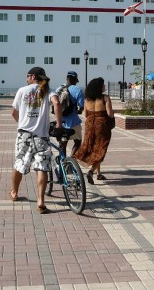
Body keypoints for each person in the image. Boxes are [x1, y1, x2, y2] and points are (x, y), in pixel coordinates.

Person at [10, 67, 62, 214]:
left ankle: (14, 192)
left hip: (24, 134)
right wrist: (59, 124)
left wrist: (21, 123)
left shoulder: (22, 90)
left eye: (27, 76)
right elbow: (57, 103)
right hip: (42, 136)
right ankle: (40, 201)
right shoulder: (48, 90)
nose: (26, 79)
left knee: (19, 163)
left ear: (32, 76)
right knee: (42, 167)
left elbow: (14, 112)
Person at [74, 77, 114, 184]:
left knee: (93, 148)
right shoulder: (105, 98)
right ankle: (91, 171)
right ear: (99, 87)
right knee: (101, 149)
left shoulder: (87, 99)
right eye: (103, 85)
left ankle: (98, 173)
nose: (104, 86)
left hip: (90, 124)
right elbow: (110, 114)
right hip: (102, 125)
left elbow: (85, 114)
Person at [57, 71, 84, 157]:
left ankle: (63, 164)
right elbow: (81, 106)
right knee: (78, 141)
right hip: (74, 122)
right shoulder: (78, 90)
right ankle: (71, 160)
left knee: (62, 144)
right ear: (75, 80)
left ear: (67, 79)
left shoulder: (59, 89)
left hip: (61, 122)